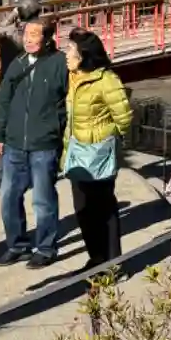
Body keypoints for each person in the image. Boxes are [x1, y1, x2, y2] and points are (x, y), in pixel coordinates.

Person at [0, 15, 67, 267]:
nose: (28, 40)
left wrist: (59, 132)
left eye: (34, 35)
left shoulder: (60, 64)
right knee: (8, 197)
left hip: (44, 144)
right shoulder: (18, 63)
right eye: (26, 35)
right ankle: (17, 245)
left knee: (43, 200)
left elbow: (69, 102)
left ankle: (46, 248)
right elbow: (3, 101)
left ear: (48, 38)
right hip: (14, 143)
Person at [63, 29, 132, 270]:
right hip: (76, 152)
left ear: (84, 54)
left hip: (99, 153)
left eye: (70, 49)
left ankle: (114, 264)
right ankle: (96, 258)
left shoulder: (106, 80)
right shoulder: (72, 78)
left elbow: (124, 118)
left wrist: (107, 140)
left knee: (104, 208)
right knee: (82, 209)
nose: (66, 54)